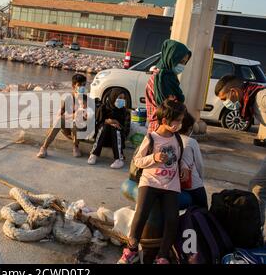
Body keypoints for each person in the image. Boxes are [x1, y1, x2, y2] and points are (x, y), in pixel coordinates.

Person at [118, 100, 185, 265]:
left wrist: (184, 168)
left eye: (181, 120)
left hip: (171, 185)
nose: (179, 124)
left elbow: (179, 159)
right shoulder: (151, 138)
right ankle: (131, 249)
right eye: (176, 121)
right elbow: (138, 160)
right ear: (164, 121)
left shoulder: (177, 139)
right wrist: (154, 158)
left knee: (172, 219)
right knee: (141, 214)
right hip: (150, 182)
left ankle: (162, 256)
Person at [215, 75, 266, 237]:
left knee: (258, 186)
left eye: (224, 99)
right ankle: (256, 229)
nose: (225, 103)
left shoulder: (261, 98)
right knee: (258, 186)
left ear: (234, 92)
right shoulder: (251, 102)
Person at [146, 39, 192, 133]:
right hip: (161, 129)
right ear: (171, 58)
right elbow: (167, 108)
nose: (182, 65)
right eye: (180, 61)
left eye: (184, 63)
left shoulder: (169, 78)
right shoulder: (160, 79)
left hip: (169, 128)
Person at [37, 74, 87, 158]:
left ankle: (76, 146)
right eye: (79, 85)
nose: (82, 87)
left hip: (80, 131)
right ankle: (44, 148)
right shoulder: (68, 98)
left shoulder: (87, 100)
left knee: (77, 122)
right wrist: (72, 115)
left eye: (84, 85)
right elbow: (60, 114)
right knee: (60, 120)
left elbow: (87, 118)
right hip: (68, 130)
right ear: (73, 86)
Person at [88, 89, 128, 169]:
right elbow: (97, 124)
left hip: (117, 140)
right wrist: (107, 121)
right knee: (105, 126)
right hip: (103, 138)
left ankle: (119, 159)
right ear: (113, 97)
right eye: (120, 98)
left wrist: (117, 123)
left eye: (123, 98)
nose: (122, 100)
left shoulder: (124, 111)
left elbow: (126, 129)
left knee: (115, 129)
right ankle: (94, 154)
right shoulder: (103, 108)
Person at [178, 111, 208, 209]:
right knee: (203, 211)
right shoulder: (191, 141)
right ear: (190, 128)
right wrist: (201, 180)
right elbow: (199, 165)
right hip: (193, 186)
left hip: (176, 185)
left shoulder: (171, 139)